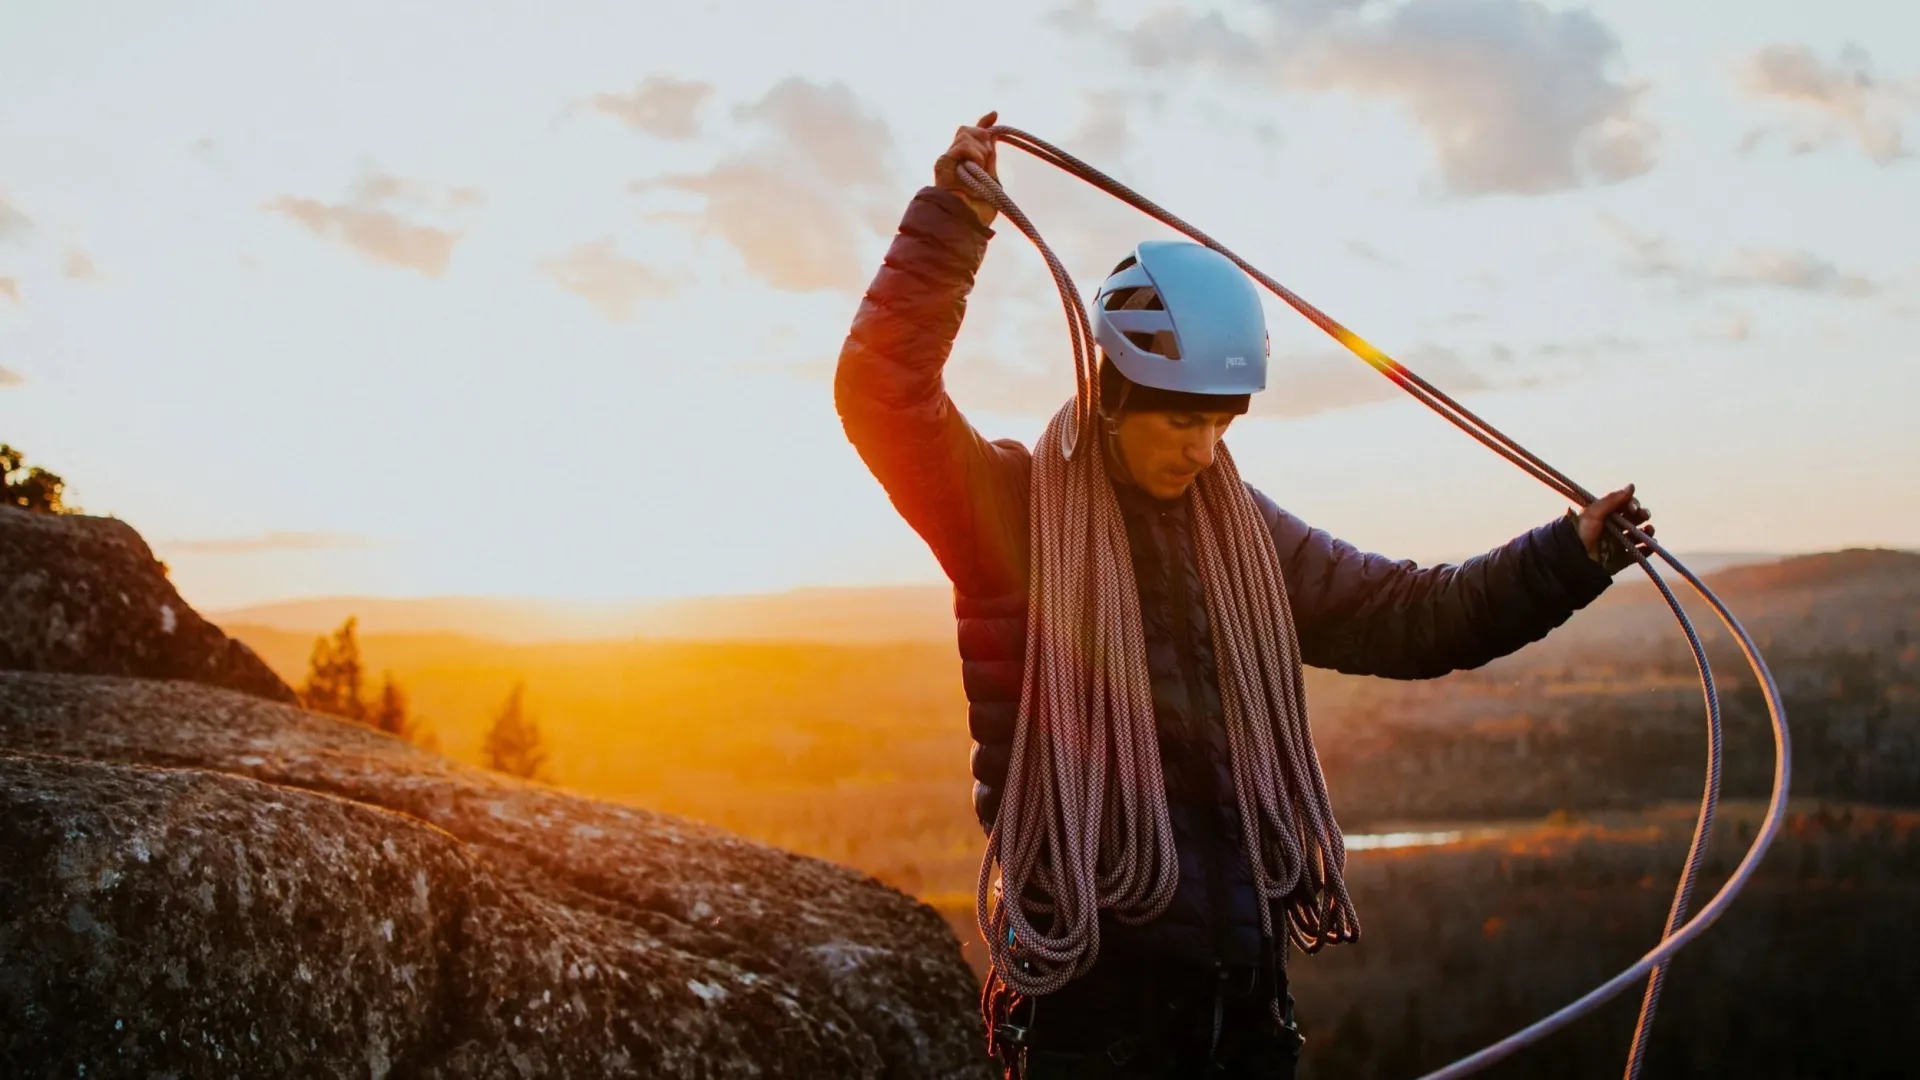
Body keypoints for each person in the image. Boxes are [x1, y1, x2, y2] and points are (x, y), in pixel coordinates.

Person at [833, 113, 1652, 1079]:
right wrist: (953, 221)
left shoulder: (1242, 536)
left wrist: (1571, 554)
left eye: (1221, 423)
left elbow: (1415, 617)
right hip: (1096, 1017)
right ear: (1115, 392)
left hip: (1243, 1005)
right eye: (1181, 420)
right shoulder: (1011, 518)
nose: (1201, 448)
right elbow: (882, 394)